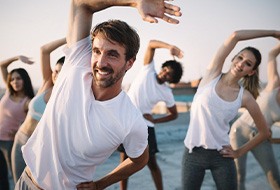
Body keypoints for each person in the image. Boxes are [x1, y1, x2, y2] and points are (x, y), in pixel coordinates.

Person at [14, 0, 182, 189]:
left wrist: (100, 184)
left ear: (129, 63)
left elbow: (139, 160)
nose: (100, 62)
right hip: (25, 182)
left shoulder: (131, 121)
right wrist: (134, 2)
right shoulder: (77, 63)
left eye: (112, 54)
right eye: (96, 51)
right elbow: (81, 4)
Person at [181, 30, 280, 190]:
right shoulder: (211, 75)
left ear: (251, 72)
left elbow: (264, 132)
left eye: (248, 63)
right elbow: (235, 36)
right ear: (233, 58)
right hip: (193, 153)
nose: (241, 63)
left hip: (222, 156)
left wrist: (239, 152)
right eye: (240, 58)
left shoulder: (245, 97)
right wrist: (272, 33)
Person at [119, 39, 183, 190]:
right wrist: (170, 46)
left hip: (146, 126)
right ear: (163, 67)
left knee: (151, 162)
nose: (166, 73)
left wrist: (155, 120)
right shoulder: (148, 69)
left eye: (170, 75)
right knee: (123, 161)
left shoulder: (167, 92)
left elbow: (174, 114)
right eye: (166, 69)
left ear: (172, 79)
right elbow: (151, 44)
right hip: (126, 120)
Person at [11, 37, 66, 183]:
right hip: (20, 140)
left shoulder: (68, 99)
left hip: (39, 149)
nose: (55, 74)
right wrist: (71, 38)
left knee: (35, 184)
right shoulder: (48, 83)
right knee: (18, 183)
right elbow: (44, 50)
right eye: (55, 70)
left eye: (60, 72)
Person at [229, 42, 280, 190]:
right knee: (239, 176)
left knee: (274, 177)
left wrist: (272, 137)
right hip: (239, 130)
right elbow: (271, 54)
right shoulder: (274, 84)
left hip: (261, 137)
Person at [0, 56, 34, 190]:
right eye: (12, 79)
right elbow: (2, 66)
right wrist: (16, 58)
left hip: (10, 142)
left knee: (15, 175)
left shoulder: (27, 101)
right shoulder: (8, 92)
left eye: (18, 78)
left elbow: (31, 123)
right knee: (1, 176)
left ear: (25, 80)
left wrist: (19, 130)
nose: (15, 81)